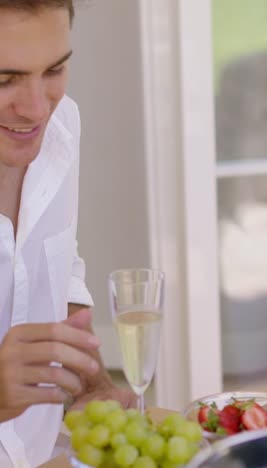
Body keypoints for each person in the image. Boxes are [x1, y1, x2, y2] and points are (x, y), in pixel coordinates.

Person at [0, 1, 135, 466]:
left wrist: (92, 383)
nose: (36, 107)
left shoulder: (60, 126)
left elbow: (59, 267)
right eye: (4, 80)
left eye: (54, 69)